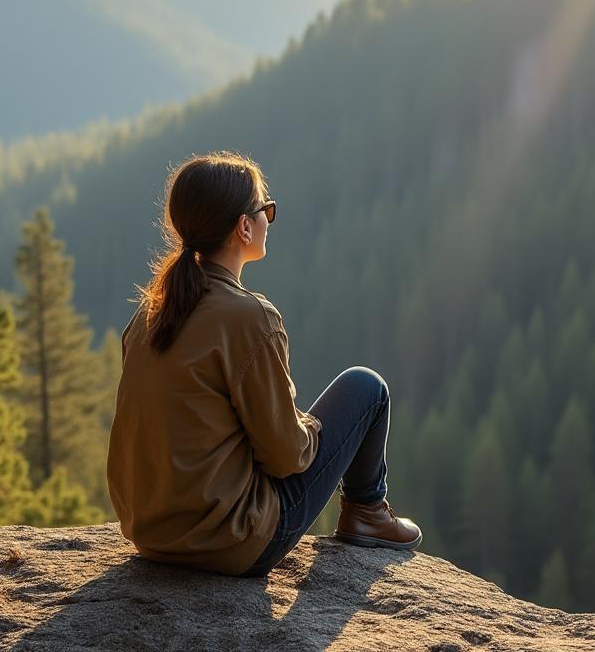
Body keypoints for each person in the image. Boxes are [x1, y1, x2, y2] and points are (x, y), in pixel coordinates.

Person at [107, 150, 421, 579]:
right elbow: (286, 457)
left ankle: (367, 513)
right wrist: (309, 427)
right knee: (366, 388)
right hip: (231, 542)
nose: (269, 220)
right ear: (244, 225)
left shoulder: (149, 313)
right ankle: (367, 512)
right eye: (266, 210)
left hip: (152, 534)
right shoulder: (250, 317)